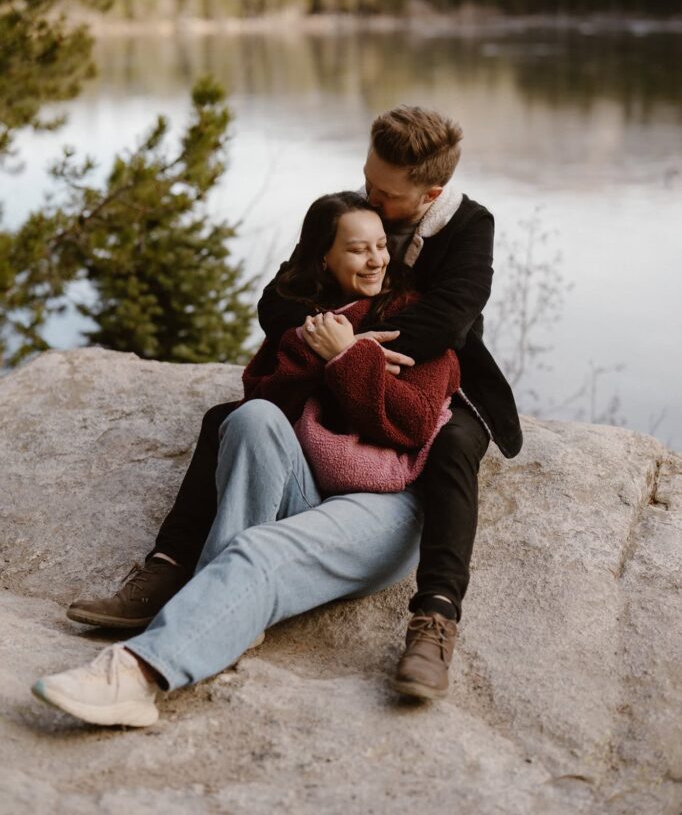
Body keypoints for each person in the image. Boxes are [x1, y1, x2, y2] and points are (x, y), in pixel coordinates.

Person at [62, 105, 522, 699]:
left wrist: (351, 348)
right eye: (368, 179)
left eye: (385, 194)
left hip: (434, 375)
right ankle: (175, 570)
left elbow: (447, 321)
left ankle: (435, 614)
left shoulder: (468, 226)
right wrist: (324, 337)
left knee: (453, 449)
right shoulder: (352, 215)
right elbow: (278, 300)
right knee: (235, 418)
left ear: (429, 194)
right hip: (342, 362)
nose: (371, 196)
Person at [32, 192, 461, 726]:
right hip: (311, 484)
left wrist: (352, 357)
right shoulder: (309, 322)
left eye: (381, 246)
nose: (375, 260)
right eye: (358, 249)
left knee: (259, 550)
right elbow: (261, 397)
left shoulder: (418, 322)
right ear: (324, 257)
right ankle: (227, 611)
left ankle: (137, 674)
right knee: (251, 418)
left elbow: (412, 422)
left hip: (386, 506)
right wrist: (321, 352)